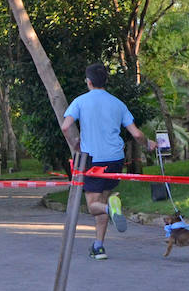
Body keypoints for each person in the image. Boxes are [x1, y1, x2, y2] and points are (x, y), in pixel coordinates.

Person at [60, 63, 155, 260]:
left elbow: (65, 126)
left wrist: (74, 143)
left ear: (88, 82)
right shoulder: (118, 104)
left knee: (94, 205)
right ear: (106, 81)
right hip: (115, 160)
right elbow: (136, 134)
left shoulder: (80, 101)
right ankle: (99, 246)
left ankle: (111, 209)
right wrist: (148, 144)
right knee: (102, 200)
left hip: (93, 160)